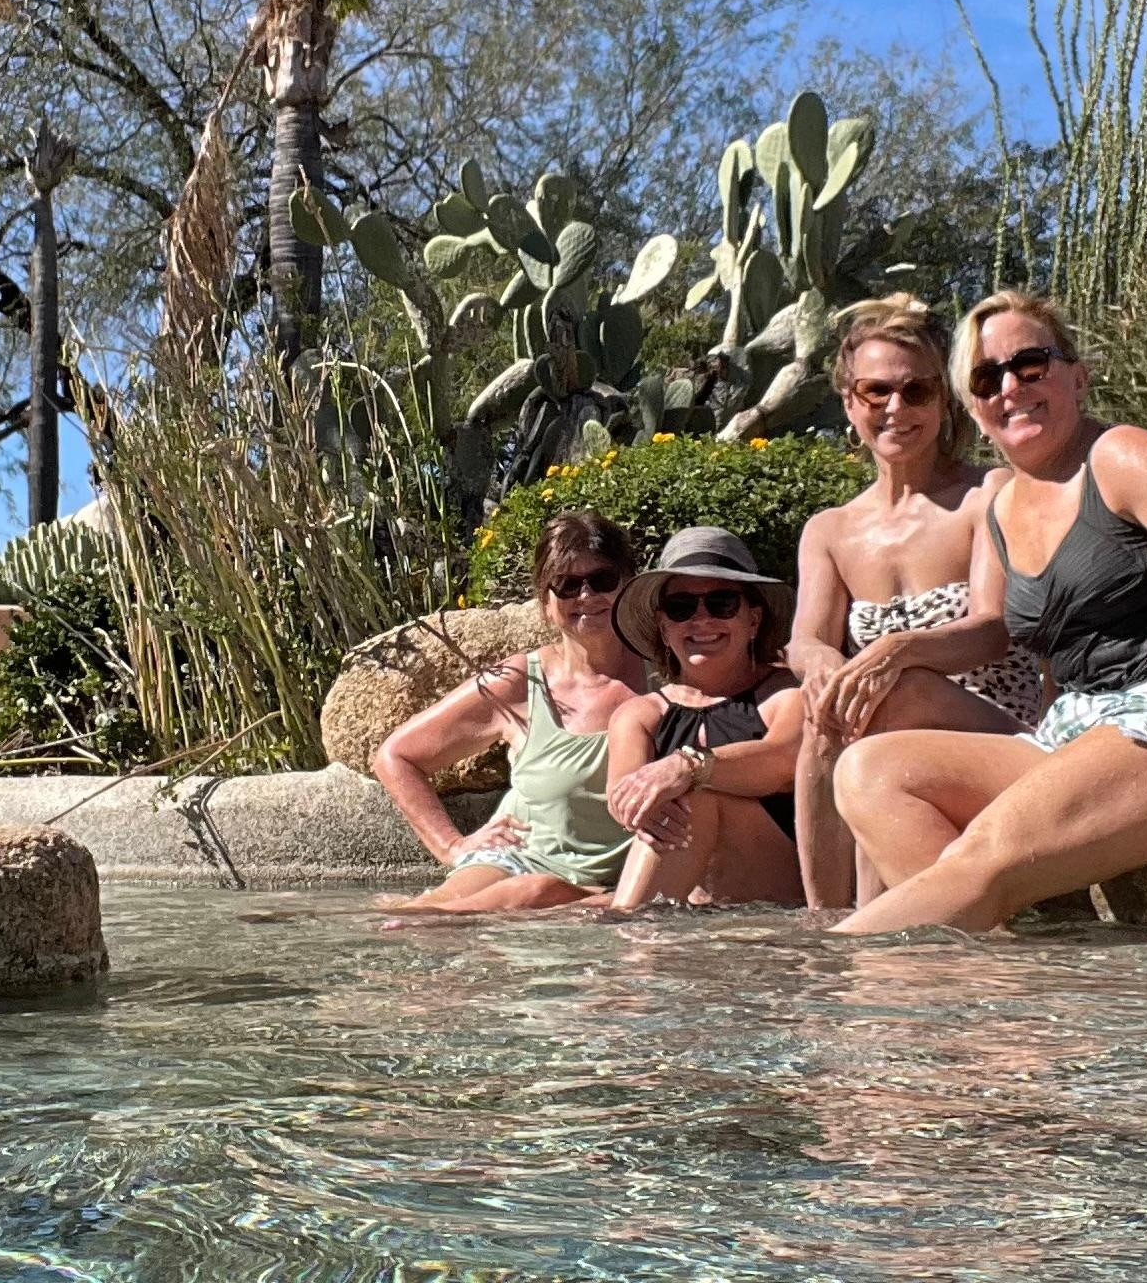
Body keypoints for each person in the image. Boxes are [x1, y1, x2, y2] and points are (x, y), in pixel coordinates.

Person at [832, 290, 1147, 935]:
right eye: (987, 378)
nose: (1010, 388)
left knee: (982, 856)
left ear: (1077, 376)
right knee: (868, 772)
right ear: (972, 405)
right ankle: (1005, 999)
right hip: (1073, 729)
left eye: (1031, 364)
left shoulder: (1119, 457)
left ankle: (830, 990)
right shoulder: (1003, 506)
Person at [787, 295, 1046, 908]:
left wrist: (895, 651)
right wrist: (819, 662)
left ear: (943, 399)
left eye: (917, 391)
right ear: (849, 401)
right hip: (874, 713)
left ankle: (884, 914)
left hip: (995, 722)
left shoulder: (986, 495)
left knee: (883, 694)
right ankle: (826, 921)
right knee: (825, 704)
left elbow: (992, 630)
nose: (896, 409)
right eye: (877, 392)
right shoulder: (830, 530)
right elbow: (804, 638)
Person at [371, 511, 646, 911]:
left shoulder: (669, 676)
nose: (586, 596)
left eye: (602, 580)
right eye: (567, 585)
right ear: (545, 602)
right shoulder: (519, 681)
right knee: (427, 917)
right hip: (515, 862)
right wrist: (452, 846)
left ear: (629, 586)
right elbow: (395, 756)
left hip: (610, 884)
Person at [604, 527, 806, 909]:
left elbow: (786, 760)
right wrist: (645, 802)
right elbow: (623, 798)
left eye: (722, 603)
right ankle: (634, 931)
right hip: (689, 892)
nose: (701, 620)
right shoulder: (639, 715)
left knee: (694, 798)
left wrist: (689, 767)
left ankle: (625, 936)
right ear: (664, 629)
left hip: (777, 883)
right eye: (682, 608)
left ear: (753, 620)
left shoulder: (785, 695)